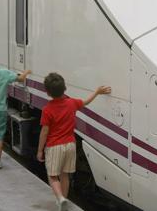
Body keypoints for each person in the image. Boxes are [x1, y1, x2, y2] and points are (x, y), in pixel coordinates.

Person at [36, 73, 111, 210]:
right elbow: (86, 102)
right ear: (65, 88)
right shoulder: (72, 103)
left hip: (54, 146)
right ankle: (63, 202)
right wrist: (97, 92)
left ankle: (60, 198)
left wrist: (40, 150)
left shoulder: (47, 110)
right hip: (70, 145)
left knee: (53, 176)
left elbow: (44, 132)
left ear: (47, 92)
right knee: (65, 175)